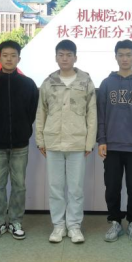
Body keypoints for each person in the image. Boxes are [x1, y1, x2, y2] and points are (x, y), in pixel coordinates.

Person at [36, 40, 97, 244]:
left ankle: (74, 226)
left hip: (77, 142)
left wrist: (89, 142)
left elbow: (92, 114)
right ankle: (58, 226)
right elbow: (41, 112)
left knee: (76, 188)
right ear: (56, 57)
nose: (65, 58)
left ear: (75, 57)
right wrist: (40, 140)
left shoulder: (85, 81)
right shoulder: (49, 82)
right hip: (53, 141)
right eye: (61, 55)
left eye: (69, 55)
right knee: (55, 187)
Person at [0, 40, 39, 241]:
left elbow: (32, 111)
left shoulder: (28, 84)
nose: (9, 59)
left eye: (13, 55)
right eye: (5, 55)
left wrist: (23, 128)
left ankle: (15, 221)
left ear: (19, 59)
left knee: (19, 185)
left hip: (20, 144)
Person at [97, 40, 132, 243]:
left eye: (128, 55)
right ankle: (115, 222)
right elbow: (101, 115)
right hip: (111, 145)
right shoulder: (106, 83)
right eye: (121, 55)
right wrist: (101, 140)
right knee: (112, 187)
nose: (125, 59)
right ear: (115, 57)